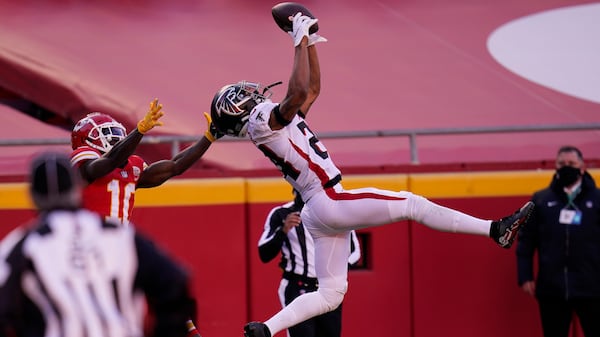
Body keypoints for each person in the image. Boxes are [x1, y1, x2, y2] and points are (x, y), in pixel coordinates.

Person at [209, 12, 535, 337]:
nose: (248, 92)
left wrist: (310, 42)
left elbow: (311, 91)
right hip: (329, 197)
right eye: (240, 96)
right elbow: (296, 94)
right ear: (236, 109)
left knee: (330, 295)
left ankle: (266, 328)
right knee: (412, 204)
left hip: (316, 210)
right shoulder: (261, 121)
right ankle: (495, 229)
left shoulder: (270, 125)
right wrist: (298, 39)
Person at [0, 152, 197, 337]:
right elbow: (175, 281)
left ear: (32, 197)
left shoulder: (22, 245)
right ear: (77, 190)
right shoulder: (119, 235)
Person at [70, 98, 222, 225]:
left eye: (115, 132)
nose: (115, 137)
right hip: (86, 241)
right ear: (86, 138)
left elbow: (175, 167)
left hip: (117, 242)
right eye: (107, 133)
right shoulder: (84, 158)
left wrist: (208, 138)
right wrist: (139, 131)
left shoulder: (131, 165)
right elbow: (110, 162)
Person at [516, 145, 600, 337]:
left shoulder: (597, 199)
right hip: (552, 288)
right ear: (555, 166)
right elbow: (527, 240)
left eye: (571, 163)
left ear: (582, 166)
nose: (566, 167)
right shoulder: (541, 199)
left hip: (592, 287)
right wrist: (525, 275)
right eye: (562, 163)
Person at [258, 189, 361, 337]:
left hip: (329, 287)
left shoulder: (336, 213)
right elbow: (264, 254)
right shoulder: (282, 214)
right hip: (297, 285)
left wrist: (335, 271)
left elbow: (354, 252)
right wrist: (283, 230)